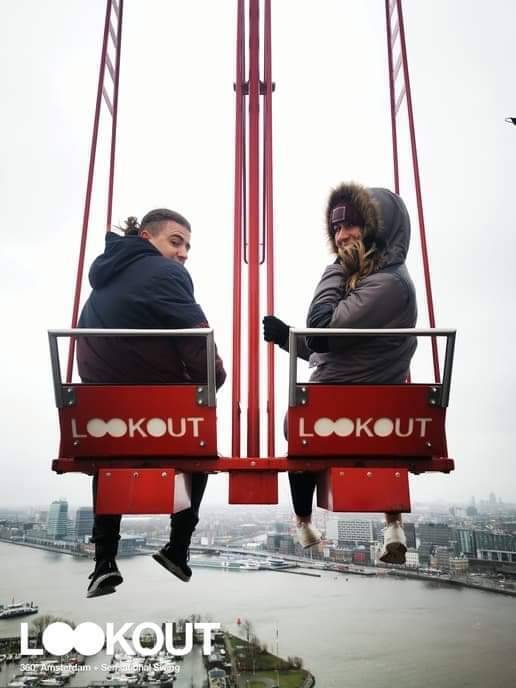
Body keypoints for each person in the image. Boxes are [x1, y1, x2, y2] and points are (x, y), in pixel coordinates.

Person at [263, 182, 417, 564]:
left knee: (301, 427)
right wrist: (288, 338)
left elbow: (322, 331)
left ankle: (303, 521)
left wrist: (334, 268)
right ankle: (393, 526)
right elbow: (339, 349)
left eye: (352, 224)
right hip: (378, 412)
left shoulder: (386, 283)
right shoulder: (374, 281)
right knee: (380, 435)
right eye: (336, 228)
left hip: (340, 409)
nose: (342, 235)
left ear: (377, 227)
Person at [77, 208, 226, 597]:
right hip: (161, 411)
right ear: (146, 237)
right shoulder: (167, 274)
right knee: (199, 443)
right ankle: (178, 546)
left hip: (100, 411)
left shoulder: (102, 280)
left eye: (188, 247)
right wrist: (216, 377)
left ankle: (104, 561)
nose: (183, 254)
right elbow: (198, 342)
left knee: (109, 456)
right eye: (176, 242)